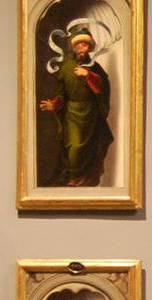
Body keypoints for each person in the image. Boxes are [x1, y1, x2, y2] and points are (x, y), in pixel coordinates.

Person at [39, 30, 115, 187]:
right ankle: (74, 176)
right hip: (71, 113)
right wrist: (54, 104)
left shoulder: (95, 67)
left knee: (89, 147)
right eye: (80, 44)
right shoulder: (67, 67)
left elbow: (102, 88)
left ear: (90, 48)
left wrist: (88, 75)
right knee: (73, 146)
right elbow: (61, 94)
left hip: (90, 113)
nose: (83, 48)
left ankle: (82, 178)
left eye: (86, 45)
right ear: (75, 47)